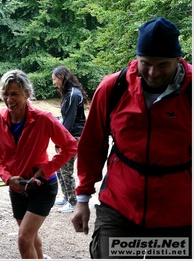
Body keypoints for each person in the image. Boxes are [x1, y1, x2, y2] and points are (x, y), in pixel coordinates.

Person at [71, 17, 192, 259]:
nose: (153, 72)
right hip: (119, 206)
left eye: (163, 65)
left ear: (178, 60)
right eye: (146, 63)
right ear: (136, 58)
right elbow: (92, 145)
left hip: (179, 213)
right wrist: (82, 198)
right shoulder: (113, 89)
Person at [0, 69, 78, 259]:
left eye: (14, 94)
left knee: (23, 238)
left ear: (27, 94)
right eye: (6, 94)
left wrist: (47, 169)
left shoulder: (43, 118)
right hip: (17, 188)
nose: (9, 100)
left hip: (42, 187)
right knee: (31, 235)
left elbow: (70, 146)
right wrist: (8, 177)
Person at [51, 66, 88, 213]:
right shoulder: (69, 93)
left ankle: (73, 202)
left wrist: (60, 141)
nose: (54, 83)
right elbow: (65, 118)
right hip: (69, 136)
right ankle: (67, 197)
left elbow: (70, 120)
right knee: (60, 168)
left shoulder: (73, 94)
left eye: (54, 79)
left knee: (66, 169)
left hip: (74, 137)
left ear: (61, 77)